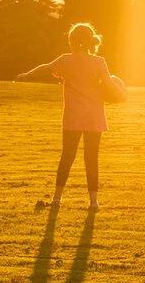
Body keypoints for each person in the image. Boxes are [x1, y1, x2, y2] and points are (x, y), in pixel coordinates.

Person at [16, 23, 115, 210]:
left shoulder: (66, 61)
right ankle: (93, 201)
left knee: (67, 157)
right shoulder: (99, 62)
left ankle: (57, 198)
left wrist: (27, 75)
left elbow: (45, 68)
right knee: (91, 158)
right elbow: (109, 85)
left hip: (73, 117)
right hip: (95, 117)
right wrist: (119, 95)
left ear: (74, 41)